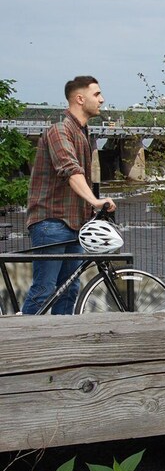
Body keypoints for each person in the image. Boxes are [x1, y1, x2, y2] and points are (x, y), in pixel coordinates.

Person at [20, 76, 116, 315]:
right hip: (52, 222)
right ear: (79, 98)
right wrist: (94, 200)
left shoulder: (83, 132)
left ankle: (59, 342)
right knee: (45, 289)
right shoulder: (60, 130)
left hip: (75, 224)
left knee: (70, 289)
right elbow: (70, 169)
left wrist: (93, 210)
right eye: (97, 95)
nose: (102, 100)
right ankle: (22, 344)